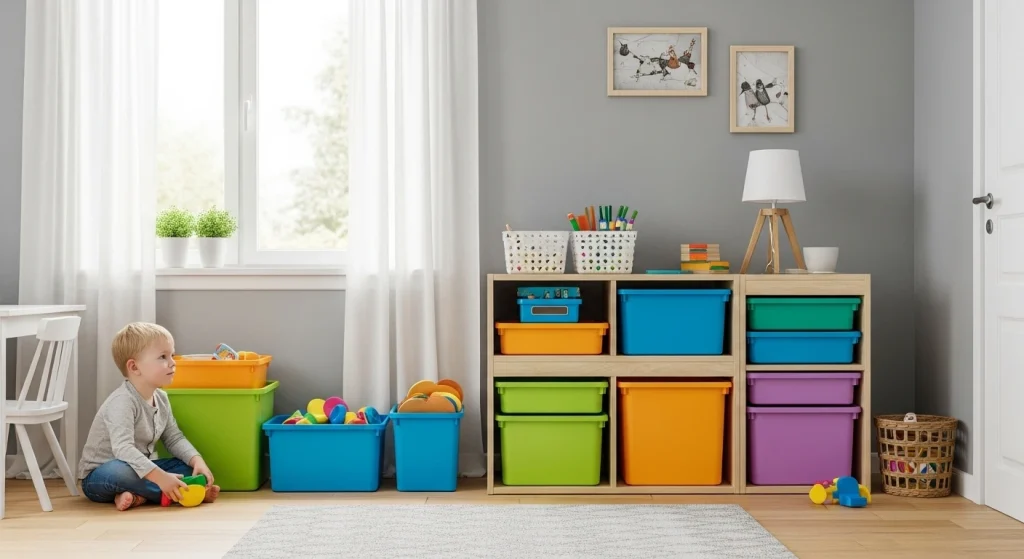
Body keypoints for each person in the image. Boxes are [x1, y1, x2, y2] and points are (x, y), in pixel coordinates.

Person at [77, 322, 219, 510]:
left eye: (172, 355)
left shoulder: (161, 398)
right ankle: (183, 492)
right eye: (162, 357)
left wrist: (196, 460)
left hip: (141, 471)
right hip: (100, 476)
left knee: (185, 467)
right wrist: (160, 477)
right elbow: (123, 449)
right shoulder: (122, 402)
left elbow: (174, 438)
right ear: (135, 367)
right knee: (119, 471)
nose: (173, 362)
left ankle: (138, 496)